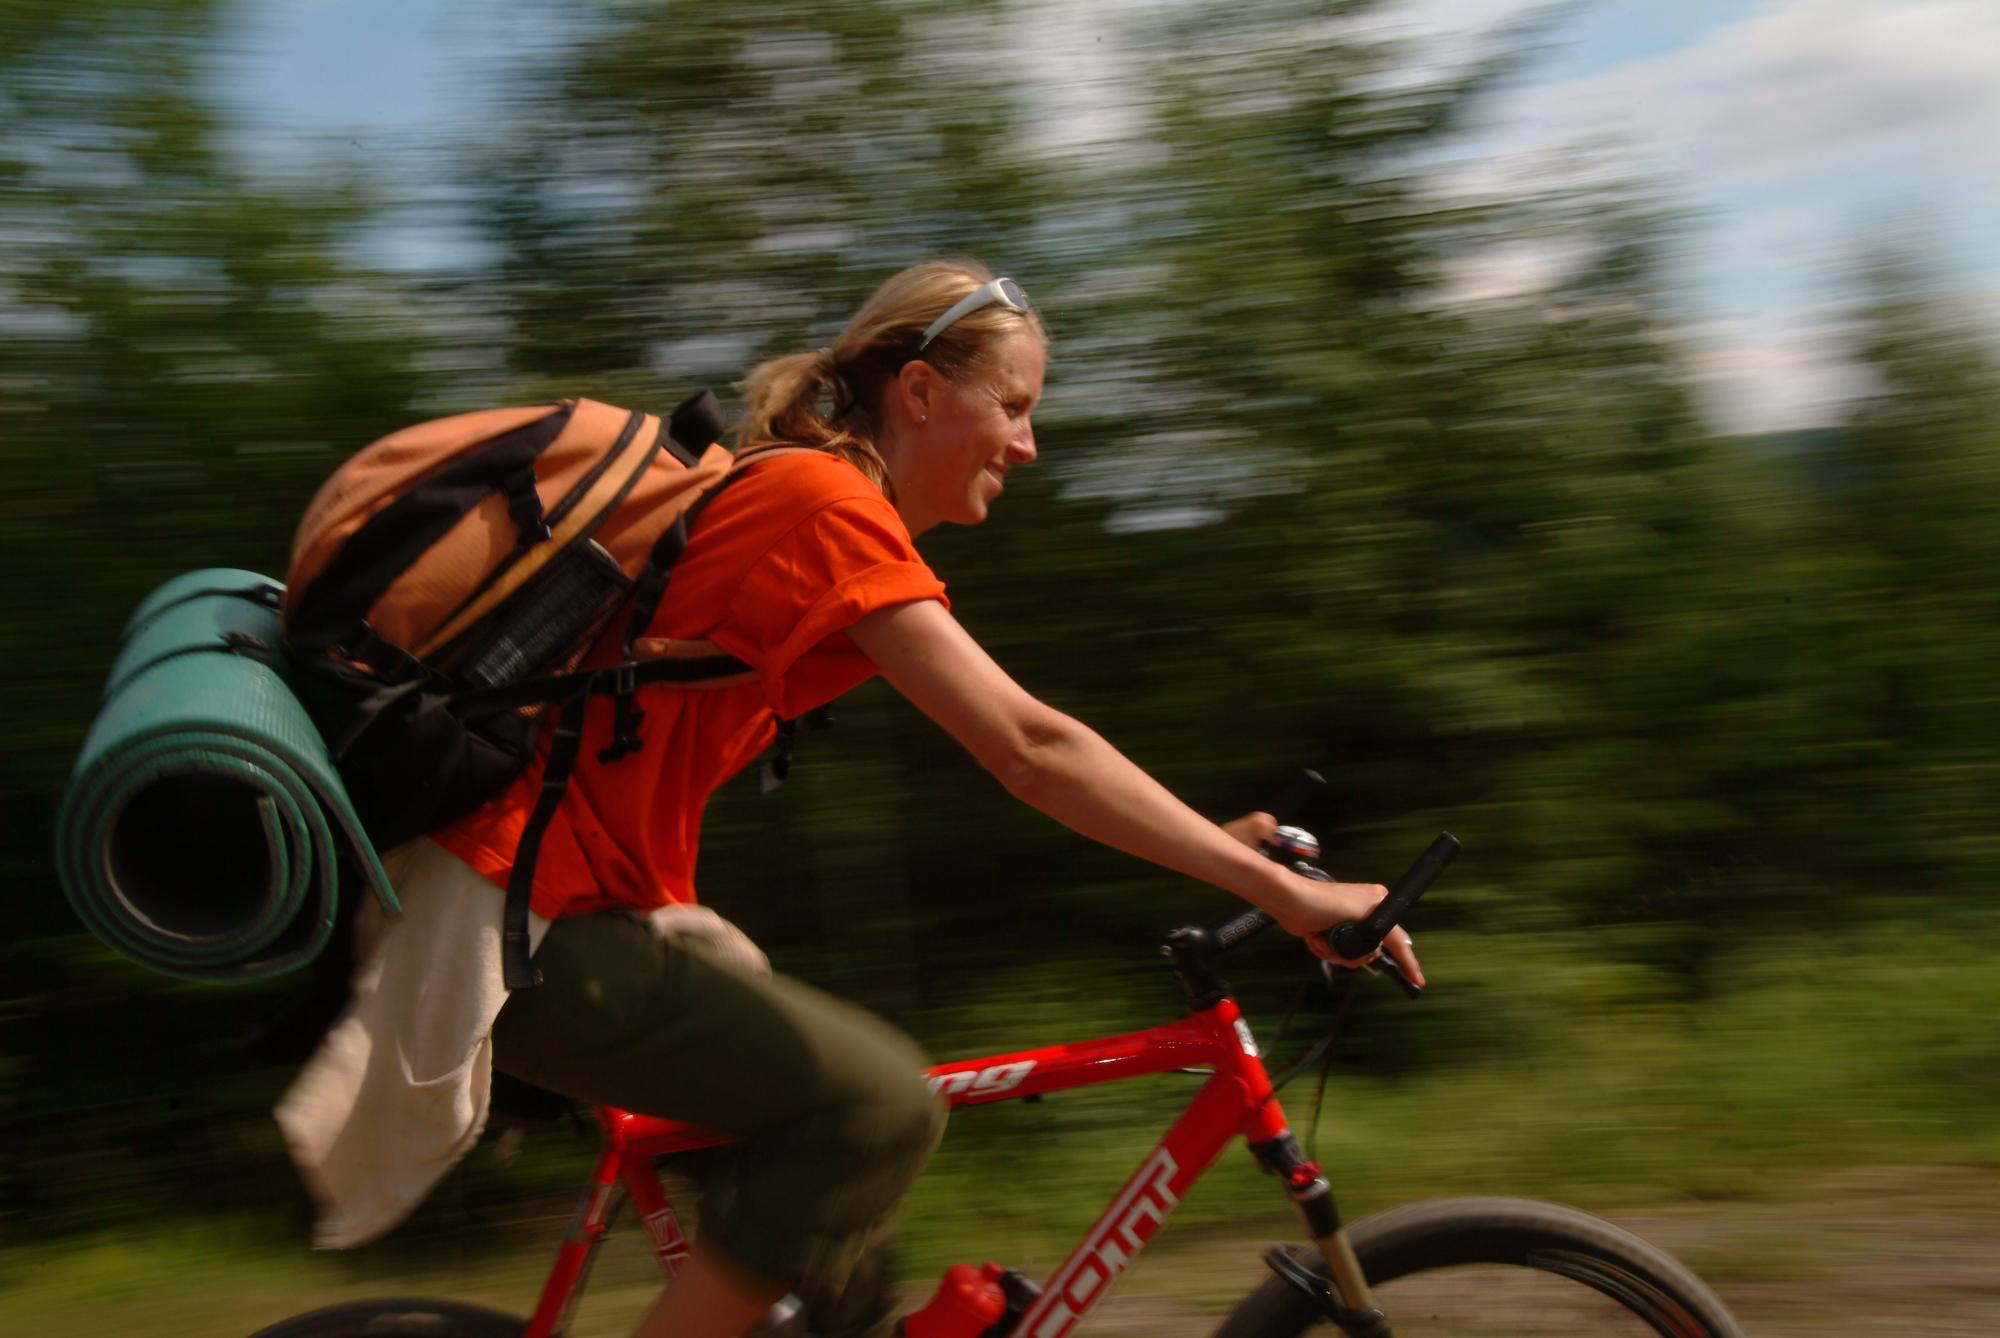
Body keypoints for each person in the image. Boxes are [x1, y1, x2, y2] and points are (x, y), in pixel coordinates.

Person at [297, 259, 1423, 1338]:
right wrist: (1280, 893)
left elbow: (1021, 766)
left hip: (570, 914)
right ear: (920, 392)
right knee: (877, 1108)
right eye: (1013, 407)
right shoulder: (816, 503)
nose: (1028, 445)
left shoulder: (803, 501)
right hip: (521, 925)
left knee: (841, 1259)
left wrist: (1207, 843)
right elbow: (1029, 747)